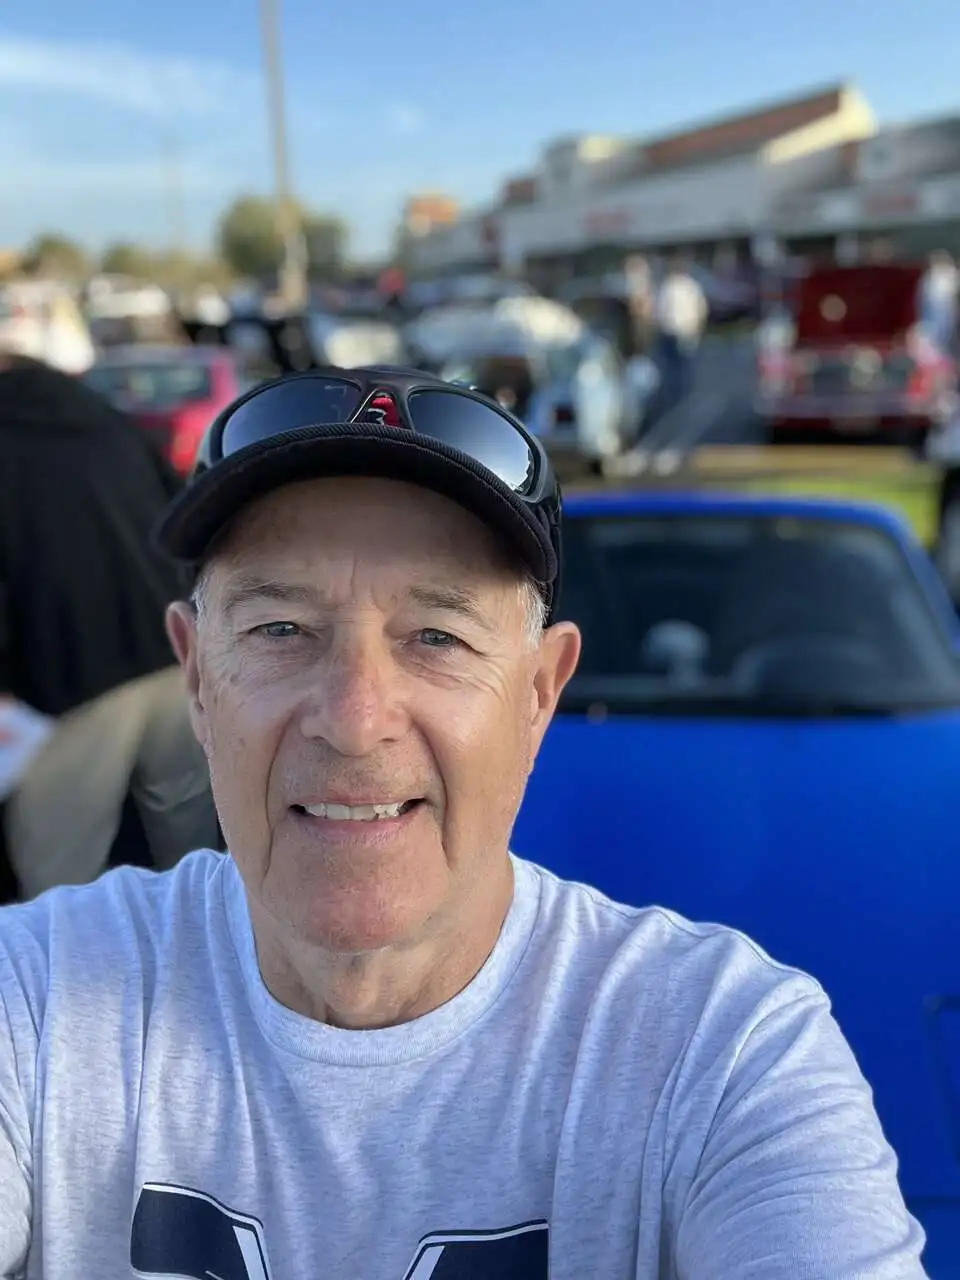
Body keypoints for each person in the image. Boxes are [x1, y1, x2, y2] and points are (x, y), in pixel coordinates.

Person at [0, 366, 928, 1278]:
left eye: (437, 637)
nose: (355, 718)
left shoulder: (725, 1054)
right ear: (199, 678)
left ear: (539, 694)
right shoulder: (35, 1000)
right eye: (280, 629)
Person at [0, 354, 215, 893]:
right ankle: (196, 941)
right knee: (187, 836)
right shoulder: (113, 425)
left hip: (70, 678)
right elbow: (184, 518)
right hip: (173, 651)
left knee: (60, 864)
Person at [651, 253, 708, 419]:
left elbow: (700, 309)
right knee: (677, 366)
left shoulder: (682, 286)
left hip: (680, 331)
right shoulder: (676, 286)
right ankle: (679, 396)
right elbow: (701, 309)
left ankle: (681, 396)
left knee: (679, 366)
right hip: (676, 331)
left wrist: (696, 327)